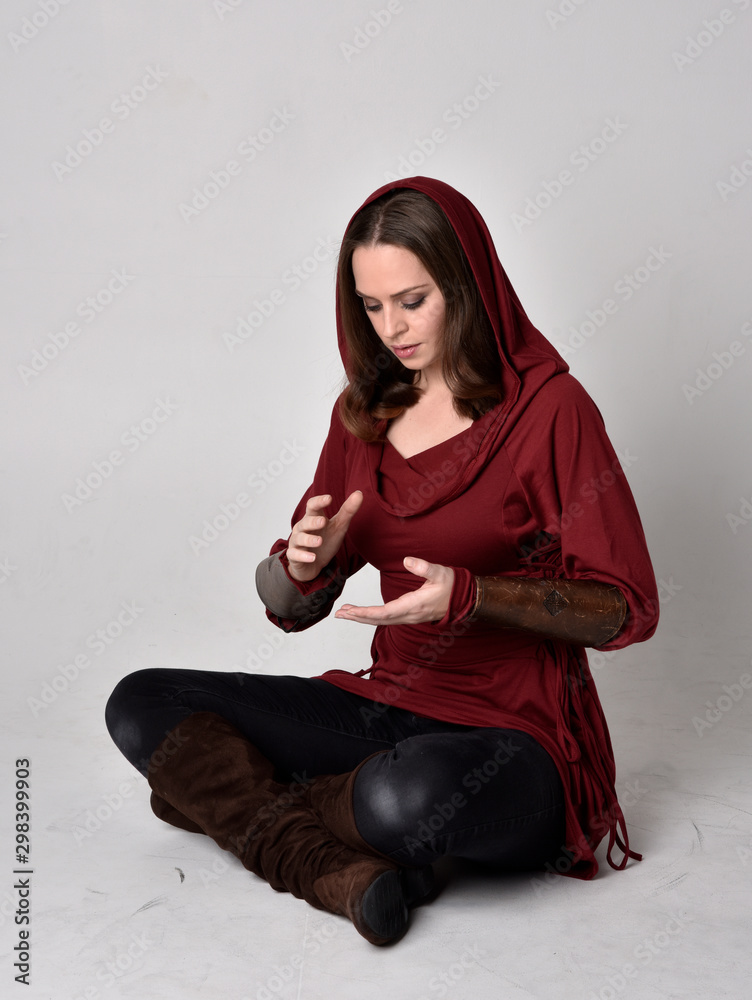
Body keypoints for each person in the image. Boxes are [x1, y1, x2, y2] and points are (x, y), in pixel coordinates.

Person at [105, 177, 659, 946]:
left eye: (412, 300)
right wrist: (301, 567)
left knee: (406, 798)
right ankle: (343, 870)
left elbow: (626, 607)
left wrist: (472, 596)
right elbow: (294, 607)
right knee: (142, 703)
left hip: (517, 739)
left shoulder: (551, 412)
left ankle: (231, 802)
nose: (390, 328)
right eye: (370, 306)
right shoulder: (365, 411)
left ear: (466, 287)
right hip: (385, 709)